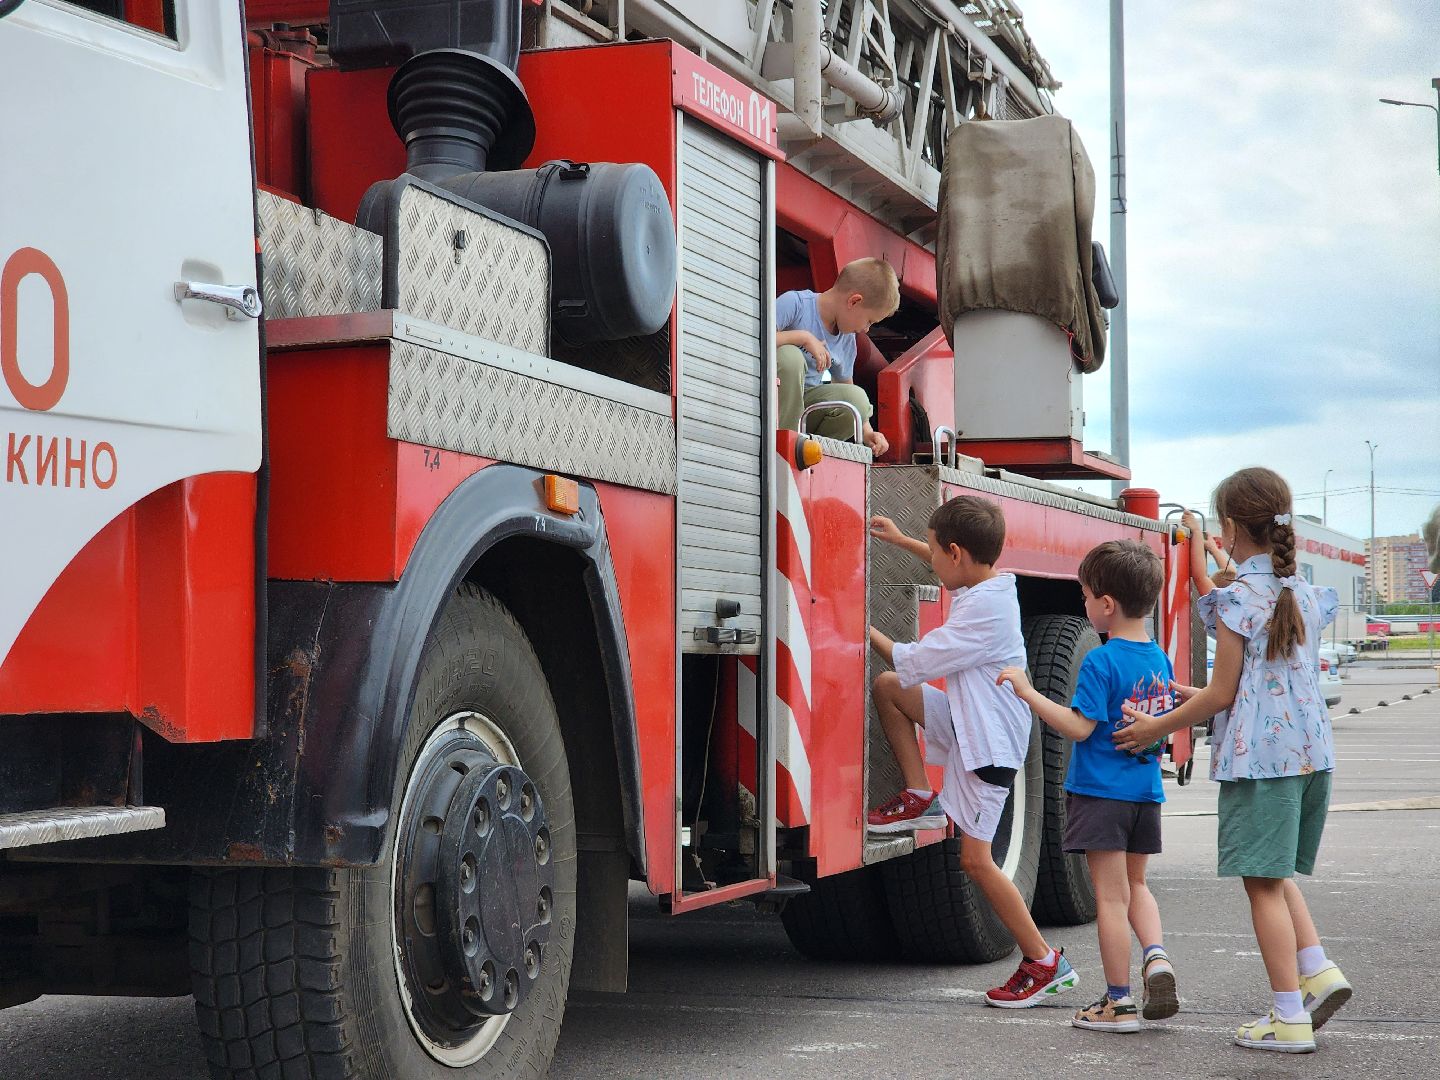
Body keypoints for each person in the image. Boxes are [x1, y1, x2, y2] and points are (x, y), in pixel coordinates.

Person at [1114, 467, 1351, 1055]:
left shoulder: (1238, 600)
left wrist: (1154, 729)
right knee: (1276, 875)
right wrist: (1185, 702)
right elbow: (1257, 690)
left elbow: (1222, 694)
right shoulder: (1301, 593)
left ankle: (1288, 1017)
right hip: (1310, 757)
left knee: (1263, 886)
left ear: (1229, 526)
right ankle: (1317, 970)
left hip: (1260, 764)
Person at [867, 496, 1078, 1007]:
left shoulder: (981, 615)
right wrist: (901, 540)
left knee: (977, 862)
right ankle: (921, 793)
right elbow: (948, 564)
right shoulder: (989, 581)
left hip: (989, 748)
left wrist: (857, 620)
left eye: (936, 552)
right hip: (969, 723)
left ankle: (1044, 961)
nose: (934, 561)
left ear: (957, 554)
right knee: (890, 688)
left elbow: (911, 655)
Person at [997, 540, 1179, 1033]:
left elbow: (1079, 727)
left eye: (1083, 596)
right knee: (1137, 886)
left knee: (1110, 900)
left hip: (1101, 795)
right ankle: (1156, 956)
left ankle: (1118, 1003)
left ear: (1106, 604)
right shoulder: (1158, 659)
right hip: (1146, 793)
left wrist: (1028, 689)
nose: (1082, 604)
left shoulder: (1101, 660)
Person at [776, 258, 898, 455]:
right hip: (771, 405)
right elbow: (754, 338)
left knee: (857, 398)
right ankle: (785, 441)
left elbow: (847, 390)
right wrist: (803, 338)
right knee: (791, 357)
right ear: (854, 301)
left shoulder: (847, 339)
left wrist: (867, 432)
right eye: (869, 321)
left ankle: (812, 453)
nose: (866, 329)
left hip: (805, 410)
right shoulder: (795, 304)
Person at [1182, 509, 1238, 594]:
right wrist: (1214, 549)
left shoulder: (1217, 602)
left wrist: (1197, 532)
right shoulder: (1242, 594)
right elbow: (1231, 573)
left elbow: (1200, 577)